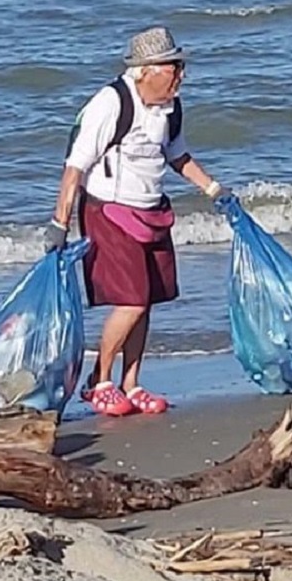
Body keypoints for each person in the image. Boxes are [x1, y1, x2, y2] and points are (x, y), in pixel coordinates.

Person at [44, 26, 229, 416]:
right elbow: (74, 168)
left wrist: (215, 190)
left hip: (151, 210)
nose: (180, 75)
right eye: (173, 67)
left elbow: (178, 157)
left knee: (148, 302)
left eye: (181, 67)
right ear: (145, 70)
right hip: (108, 212)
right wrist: (59, 224)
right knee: (132, 300)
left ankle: (130, 383)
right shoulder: (110, 104)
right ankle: (100, 380)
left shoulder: (171, 107)